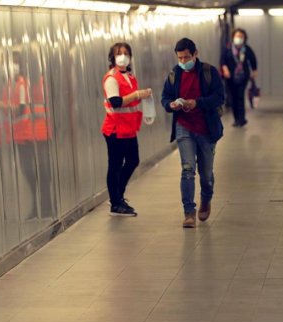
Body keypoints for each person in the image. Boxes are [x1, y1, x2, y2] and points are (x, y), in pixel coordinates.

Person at [161, 38, 225, 228]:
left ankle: (206, 198)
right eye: (180, 58)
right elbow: (165, 97)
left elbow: (219, 97)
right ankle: (189, 212)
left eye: (186, 57)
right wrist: (170, 105)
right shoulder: (174, 74)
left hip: (206, 128)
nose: (183, 61)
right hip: (184, 125)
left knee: (206, 174)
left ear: (195, 54)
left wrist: (198, 103)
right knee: (188, 169)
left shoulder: (208, 72)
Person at [102, 42, 152, 217]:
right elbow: (115, 102)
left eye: (126, 53)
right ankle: (116, 203)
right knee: (115, 165)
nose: (122, 56)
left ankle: (118, 195)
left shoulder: (129, 77)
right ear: (112, 57)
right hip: (115, 129)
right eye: (118, 53)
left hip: (128, 128)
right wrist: (138, 94)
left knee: (133, 161)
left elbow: (132, 104)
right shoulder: (111, 78)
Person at [220, 28, 258, 127]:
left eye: (241, 37)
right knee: (233, 98)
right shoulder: (228, 49)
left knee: (240, 96)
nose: (239, 38)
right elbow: (222, 60)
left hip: (243, 76)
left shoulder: (246, 49)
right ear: (233, 37)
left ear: (244, 38)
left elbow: (253, 60)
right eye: (237, 36)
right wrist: (225, 69)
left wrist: (254, 71)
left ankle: (242, 119)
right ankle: (236, 118)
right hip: (230, 77)